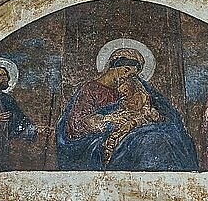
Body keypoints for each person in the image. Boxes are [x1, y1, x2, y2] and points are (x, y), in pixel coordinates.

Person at [56, 47, 198, 170]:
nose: (127, 76)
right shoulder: (90, 90)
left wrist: (152, 114)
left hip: (134, 129)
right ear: (114, 65)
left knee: (162, 138)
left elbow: (153, 108)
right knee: (149, 141)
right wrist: (108, 120)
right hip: (98, 139)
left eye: (131, 74)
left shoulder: (133, 87)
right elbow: (76, 124)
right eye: (125, 70)